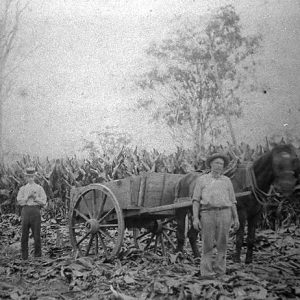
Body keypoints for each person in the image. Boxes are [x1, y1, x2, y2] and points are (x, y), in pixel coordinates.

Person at [192, 153, 240, 277]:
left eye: (222, 164)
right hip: (207, 213)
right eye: (217, 163)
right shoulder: (202, 180)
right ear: (211, 164)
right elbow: (196, 200)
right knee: (207, 244)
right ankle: (207, 272)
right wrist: (196, 218)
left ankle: (220, 271)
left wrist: (236, 218)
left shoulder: (227, 181)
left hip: (225, 213)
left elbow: (233, 201)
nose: (219, 166)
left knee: (222, 244)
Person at [17, 167, 47, 260]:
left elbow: (43, 202)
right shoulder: (23, 189)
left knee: (37, 234)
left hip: (35, 211)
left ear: (34, 176)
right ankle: (24, 256)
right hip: (25, 211)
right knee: (24, 235)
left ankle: (38, 256)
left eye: (32, 176)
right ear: (26, 177)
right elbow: (20, 202)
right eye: (28, 176)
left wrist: (35, 197)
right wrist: (27, 197)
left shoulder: (39, 188)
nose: (30, 178)